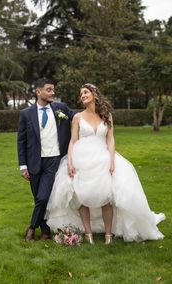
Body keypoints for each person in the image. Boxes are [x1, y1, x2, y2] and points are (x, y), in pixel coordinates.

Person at [46, 83, 165, 244]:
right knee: (81, 196)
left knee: (106, 196)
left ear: (94, 94)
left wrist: (112, 160)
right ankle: (88, 235)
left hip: (103, 158)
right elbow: (73, 141)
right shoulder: (77, 117)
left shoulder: (106, 115)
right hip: (81, 158)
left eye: (86, 92)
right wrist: (70, 162)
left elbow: (110, 139)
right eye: (81, 94)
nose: (83, 96)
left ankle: (109, 235)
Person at [17, 78, 74, 241]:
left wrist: (95, 111)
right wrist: (23, 165)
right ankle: (46, 232)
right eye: (49, 90)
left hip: (54, 160)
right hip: (34, 161)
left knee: (43, 196)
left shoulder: (60, 108)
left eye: (53, 90)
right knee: (38, 198)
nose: (52, 93)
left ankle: (31, 227)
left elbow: (77, 116)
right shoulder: (26, 114)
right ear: (38, 92)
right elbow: (21, 141)